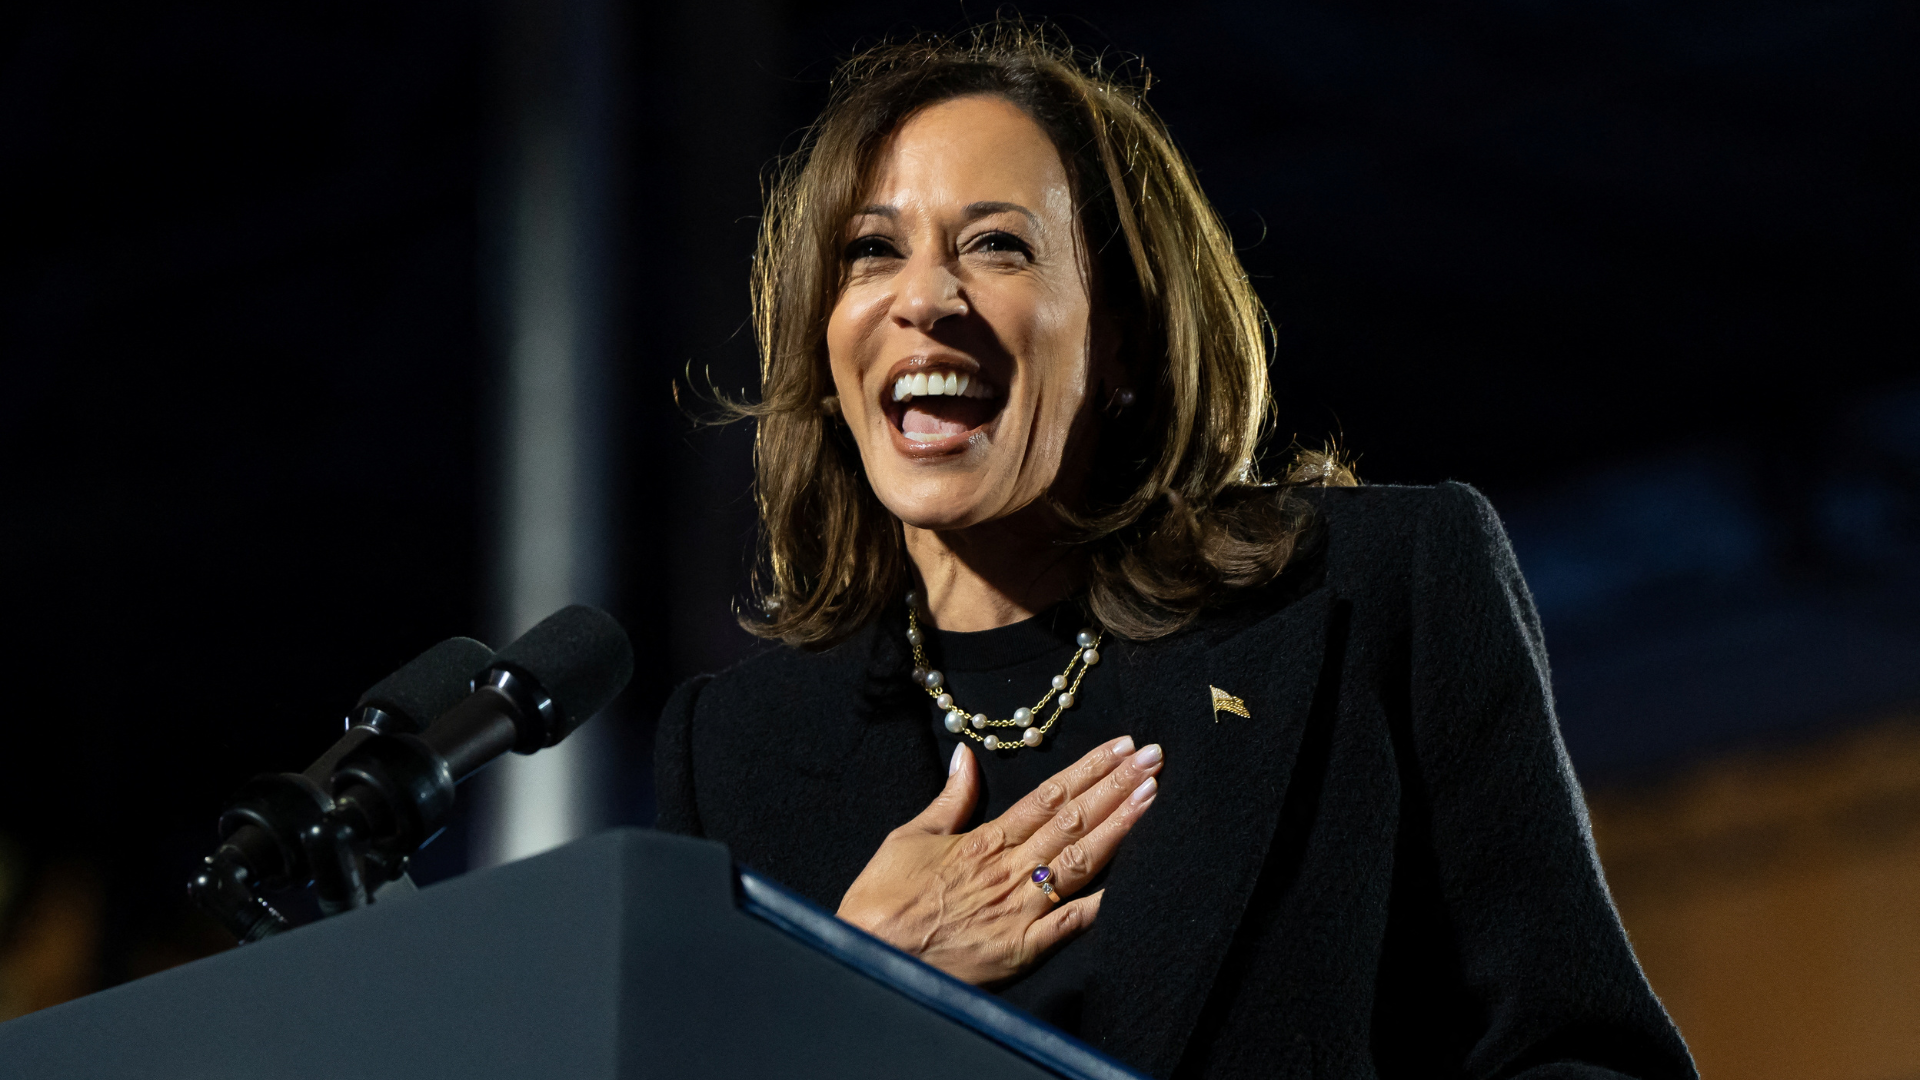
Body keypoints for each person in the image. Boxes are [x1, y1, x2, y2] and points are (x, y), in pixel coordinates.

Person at [655, 25, 1695, 1080]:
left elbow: (1587, 1061)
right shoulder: (736, 752)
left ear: (1125, 343)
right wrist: (849, 986)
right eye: (872, 250)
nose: (923, 298)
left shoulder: (1379, 589)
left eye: (998, 245)